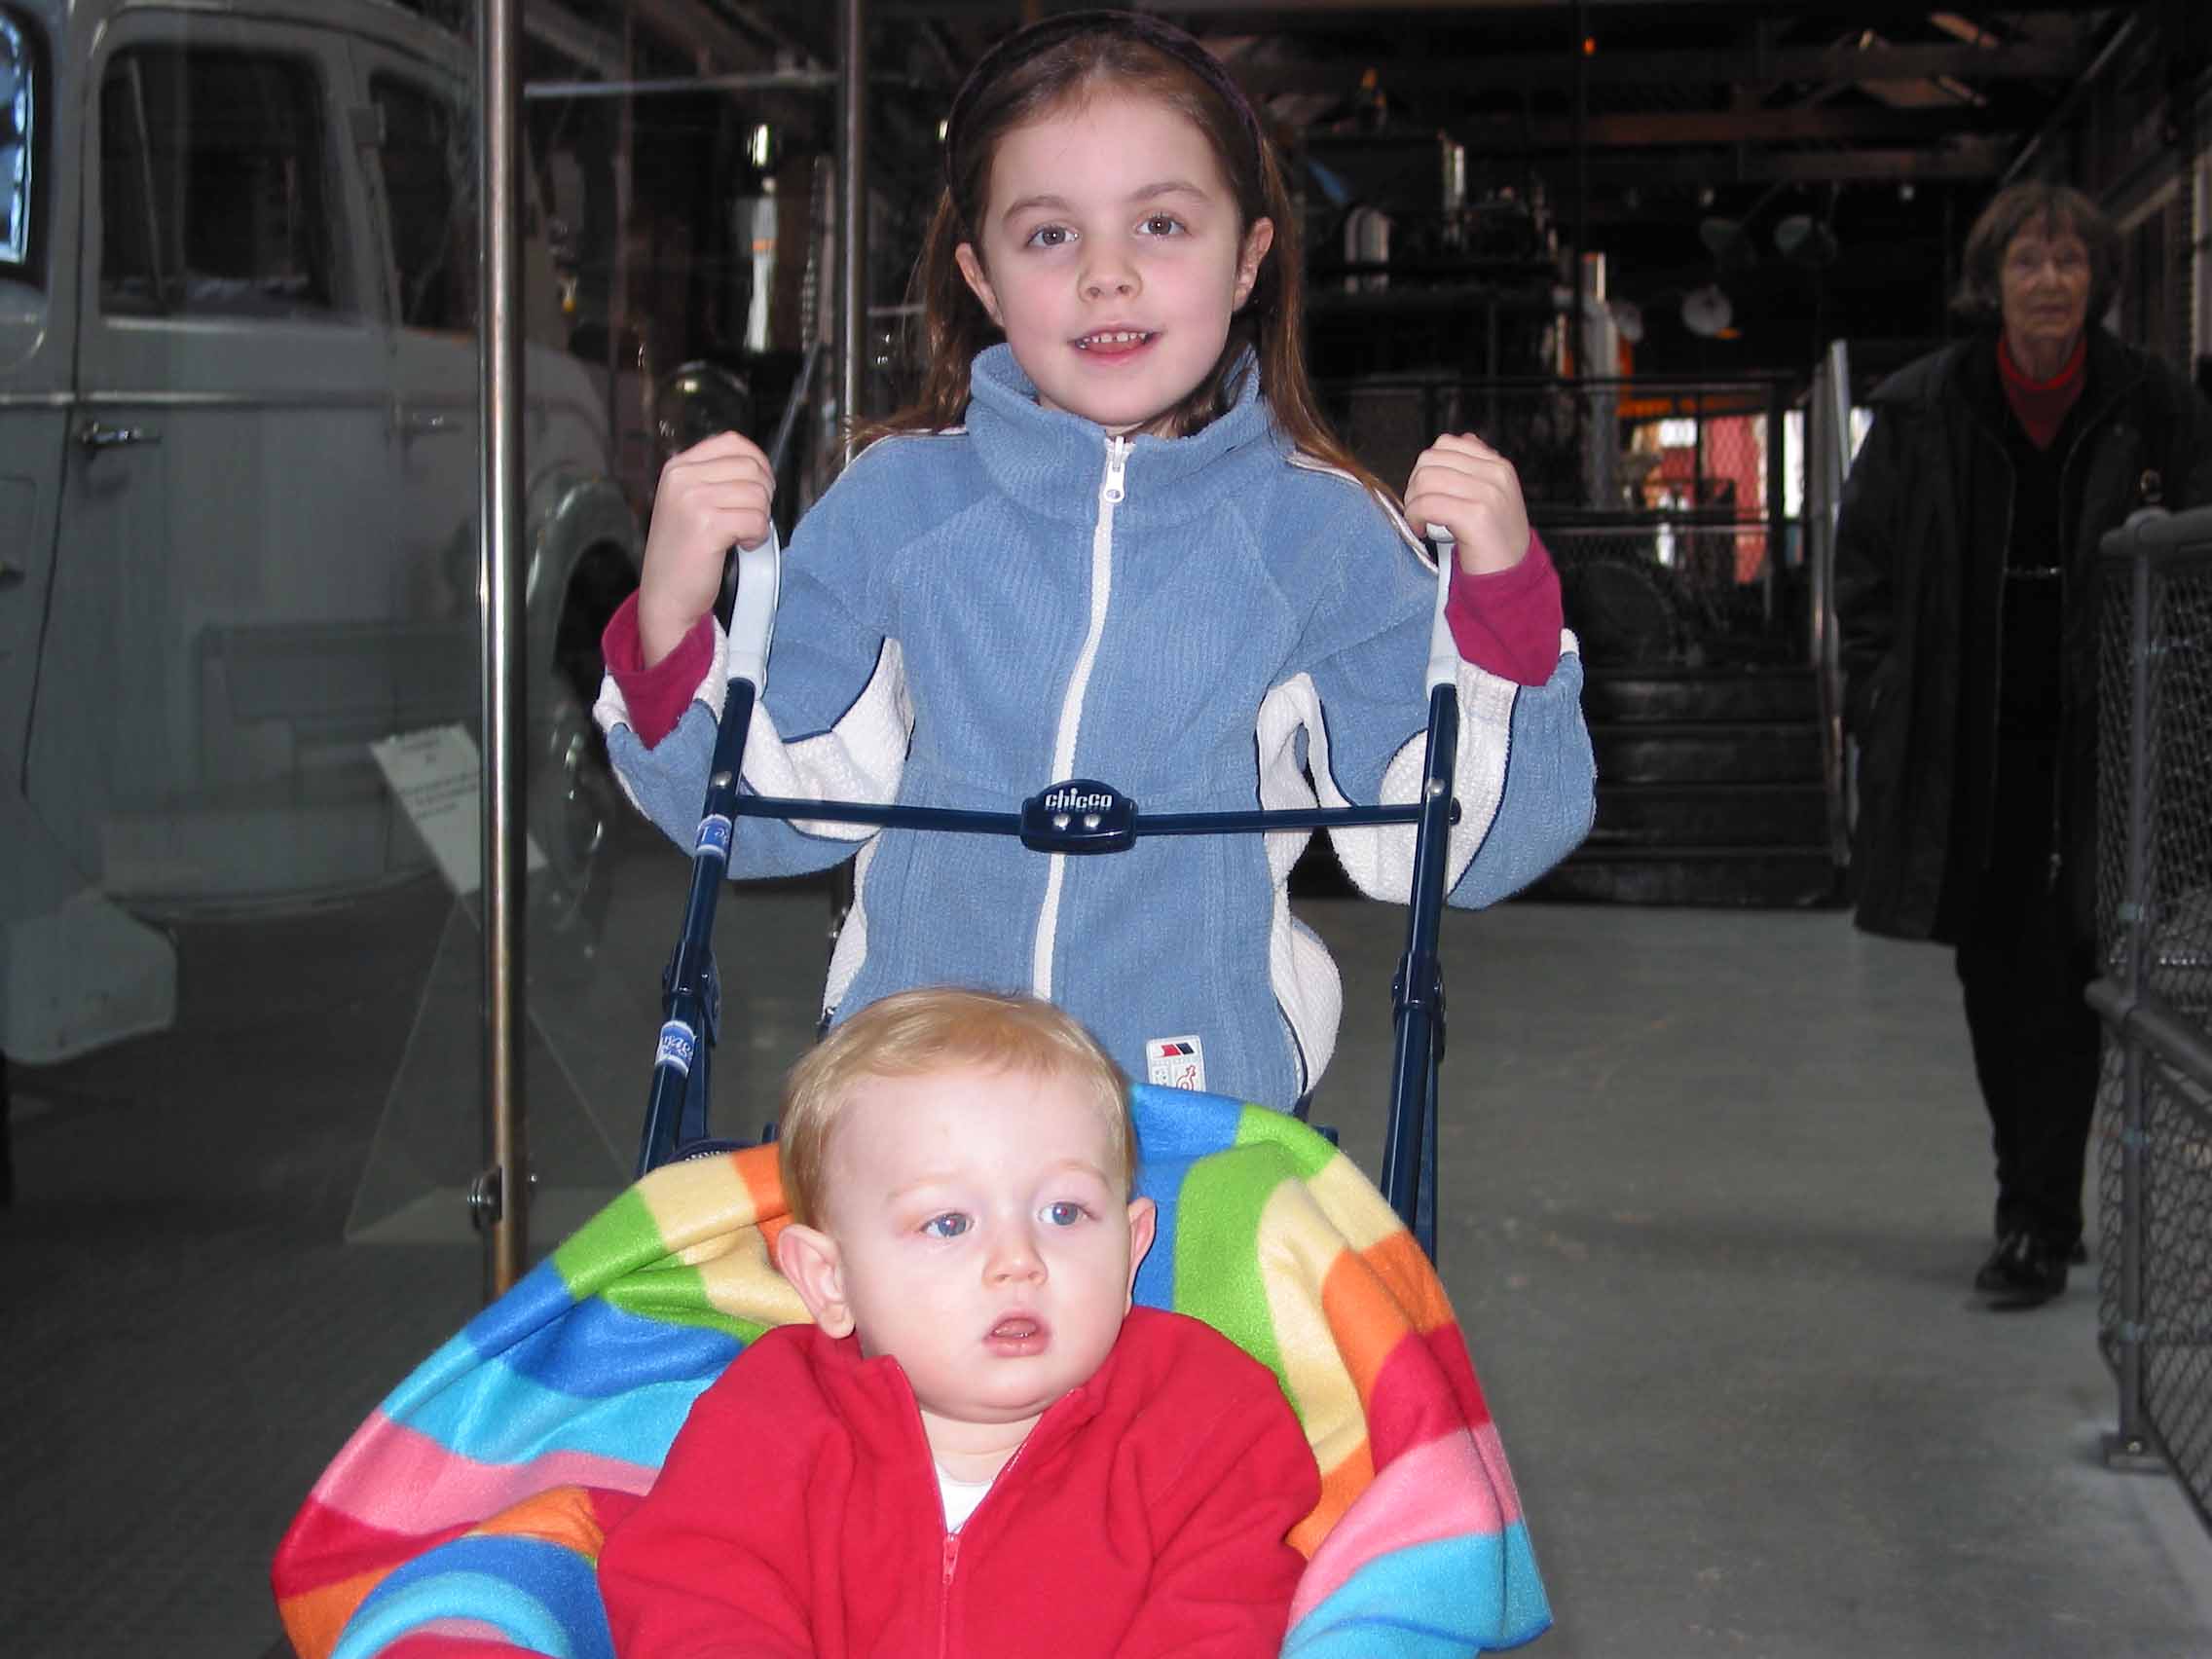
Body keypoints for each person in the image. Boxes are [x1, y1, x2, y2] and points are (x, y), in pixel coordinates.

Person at [594, 10, 1594, 1111]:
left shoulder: (1323, 535)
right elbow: (757, 816)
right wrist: (671, 621)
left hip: (1197, 1111)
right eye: (1049, 235)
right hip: (919, 1113)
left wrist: (1503, 613)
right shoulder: (896, 507)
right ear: (982, 277)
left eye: (1161, 223)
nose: (1106, 276)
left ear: (1248, 258)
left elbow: (1465, 850)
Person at [596, 986, 1321, 1657]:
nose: (1018, 1261)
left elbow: (1221, 1619)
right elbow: (696, 1596)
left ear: (1131, 1250)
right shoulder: (771, 1417)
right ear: (830, 1279)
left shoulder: (1204, 1417)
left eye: (1064, 1213)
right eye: (948, 1223)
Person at [1834, 180, 2212, 1308]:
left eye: (2069, 262)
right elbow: (1864, 572)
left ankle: (2037, 1220)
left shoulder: (2154, 406)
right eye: (2027, 262)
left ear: (2098, 280)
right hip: (1972, 745)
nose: (2049, 282)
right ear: (1990, 282)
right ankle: (2035, 1200)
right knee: (1997, 979)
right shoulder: (1924, 409)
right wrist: (1882, 695)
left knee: (2078, 966)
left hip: (2111, 744)